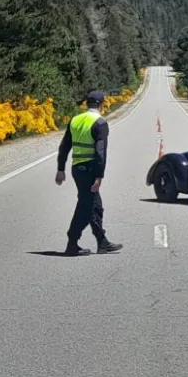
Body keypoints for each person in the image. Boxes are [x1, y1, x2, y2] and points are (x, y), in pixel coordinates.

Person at [55, 90, 123, 256]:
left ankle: (102, 241)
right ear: (102, 104)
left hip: (77, 169)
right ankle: (72, 242)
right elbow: (101, 152)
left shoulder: (75, 120)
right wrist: (99, 176)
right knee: (87, 207)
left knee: (95, 205)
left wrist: (61, 169)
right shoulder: (99, 123)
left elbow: (64, 146)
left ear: (86, 104)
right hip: (91, 169)